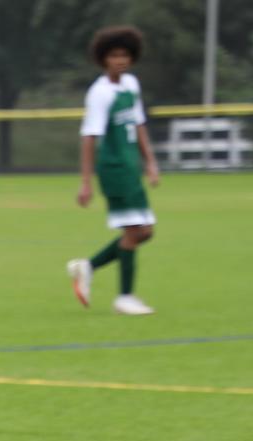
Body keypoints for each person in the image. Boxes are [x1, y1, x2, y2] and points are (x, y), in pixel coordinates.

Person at [68, 25, 160, 316]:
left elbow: (139, 124)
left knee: (145, 231)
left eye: (124, 55)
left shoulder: (131, 84)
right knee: (134, 231)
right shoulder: (100, 93)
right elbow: (89, 137)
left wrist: (150, 161)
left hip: (131, 168)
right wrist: (86, 182)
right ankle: (125, 298)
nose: (120, 61)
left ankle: (88, 267)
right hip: (114, 169)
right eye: (113, 56)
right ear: (103, 59)